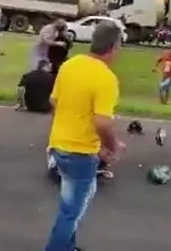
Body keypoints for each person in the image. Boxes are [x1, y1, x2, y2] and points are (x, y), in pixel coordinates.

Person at [45, 21, 126, 251]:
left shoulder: (71, 65)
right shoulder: (106, 78)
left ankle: (68, 246)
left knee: (71, 202)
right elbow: (102, 122)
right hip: (80, 154)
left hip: (58, 146)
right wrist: (113, 146)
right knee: (71, 213)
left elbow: (54, 101)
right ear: (113, 46)